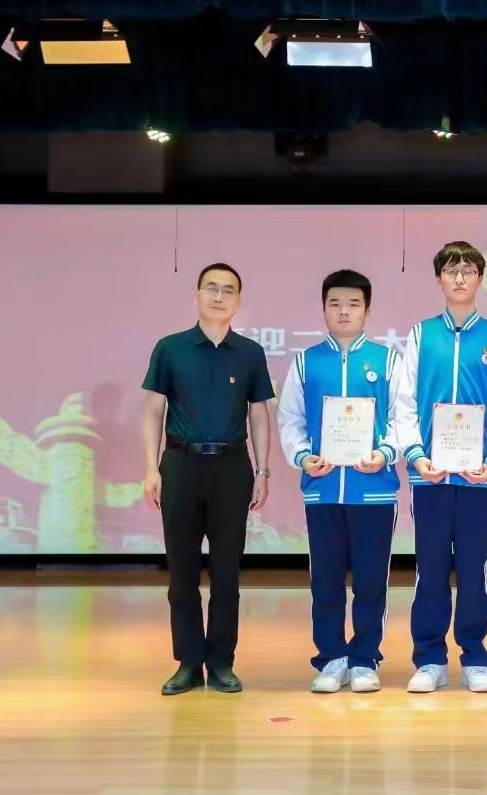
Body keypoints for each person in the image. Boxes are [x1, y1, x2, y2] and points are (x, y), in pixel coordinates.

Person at [142, 262, 274, 695]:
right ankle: (188, 662)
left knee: (226, 572)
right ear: (196, 296)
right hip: (180, 465)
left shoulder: (250, 353)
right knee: (181, 571)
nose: (219, 296)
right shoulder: (170, 348)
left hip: (231, 467)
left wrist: (262, 470)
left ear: (239, 300)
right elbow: (153, 410)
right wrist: (150, 468)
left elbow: (259, 413)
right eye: (211, 288)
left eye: (228, 290)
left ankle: (220, 663)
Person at [392, 241, 487, 693]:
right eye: (451, 271)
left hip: (477, 476)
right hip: (429, 475)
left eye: (467, 271)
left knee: (472, 568)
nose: (459, 278)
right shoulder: (420, 335)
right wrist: (416, 455)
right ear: (439, 279)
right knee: (430, 568)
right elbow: (404, 403)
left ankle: (475, 657)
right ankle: (429, 658)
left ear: (480, 278)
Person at [277, 269, 402, 694]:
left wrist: (384, 453)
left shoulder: (389, 361)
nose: (343, 311)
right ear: (323, 309)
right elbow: (290, 419)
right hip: (323, 489)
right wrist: (302, 457)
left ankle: (365, 658)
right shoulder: (306, 361)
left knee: (371, 579)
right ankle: (331, 657)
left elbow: (403, 418)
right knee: (326, 579)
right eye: (335, 304)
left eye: (353, 304)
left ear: (367, 309)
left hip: (374, 490)